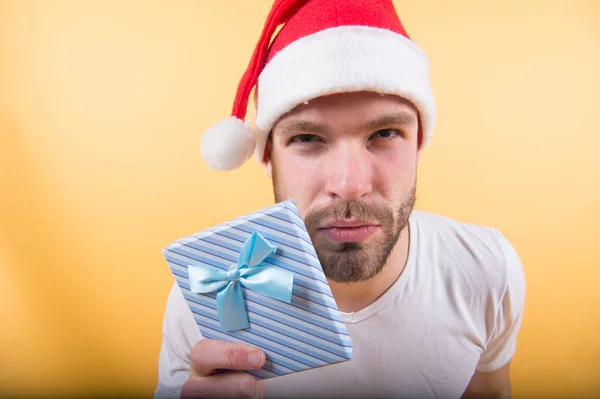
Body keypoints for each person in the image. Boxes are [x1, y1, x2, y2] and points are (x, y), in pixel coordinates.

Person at [154, 0, 526, 398]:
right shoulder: (205, 295)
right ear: (267, 156)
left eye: (384, 133)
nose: (350, 185)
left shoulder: (486, 267)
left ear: (418, 143)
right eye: (307, 138)